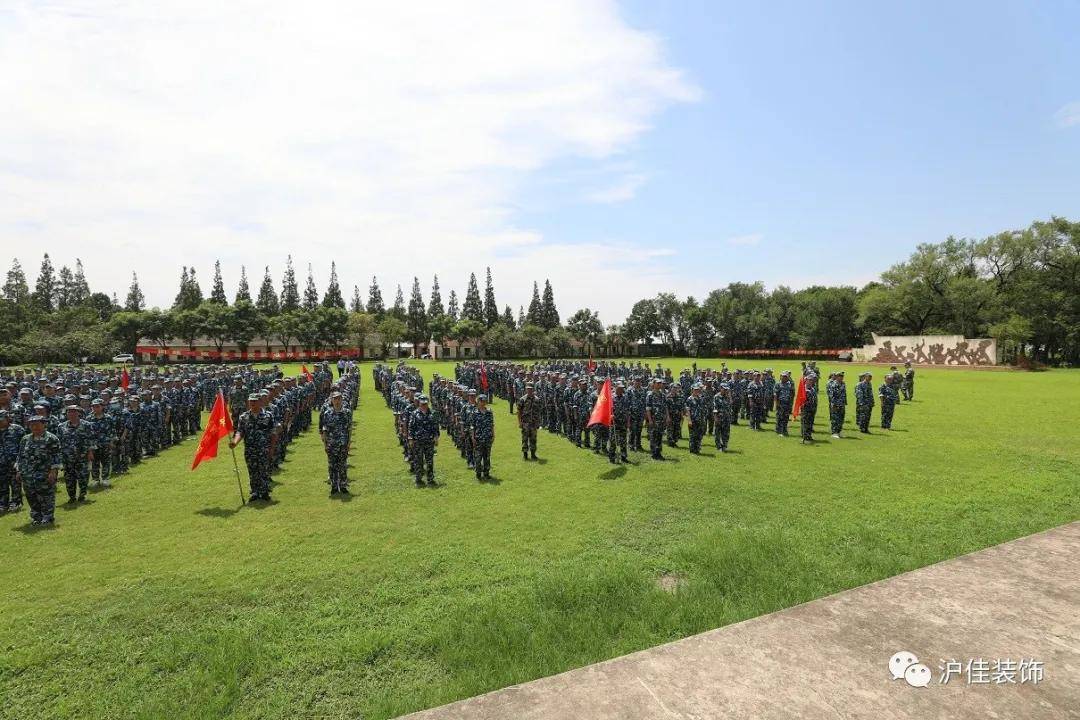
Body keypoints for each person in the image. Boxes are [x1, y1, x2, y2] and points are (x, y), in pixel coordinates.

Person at [16, 415, 62, 526]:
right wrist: (18, 470)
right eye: (32, 425)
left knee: (47, 496)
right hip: (28, 474)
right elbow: (20, 456)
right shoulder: (25, 439)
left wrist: (53, 471)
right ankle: (36, 517)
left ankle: (48, 517)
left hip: (44, 474)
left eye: (37, 424)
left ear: (44, 424)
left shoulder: (51, 438)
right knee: (31, 496)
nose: (34, 427)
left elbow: (56, 456)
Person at [230, 394, 274, 501]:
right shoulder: (243, 417)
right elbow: (240, 432)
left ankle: (264, 492)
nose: (252, 403)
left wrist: (272, 448)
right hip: (250, 449)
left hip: (263, 448)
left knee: (263, 470)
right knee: (252, 470)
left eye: (255, 401)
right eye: (251, 401)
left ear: (260, 402)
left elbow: (273, 433)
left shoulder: (268, 416)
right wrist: (235, 442)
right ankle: (255, 492)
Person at [58, 404, 96, 504]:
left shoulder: (87, 425)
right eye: (69, 412)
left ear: (79, 413)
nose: (71, 414)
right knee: (69, 478)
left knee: (83, 476)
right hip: (67, 457)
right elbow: (59, 442)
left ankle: (82, 495)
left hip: (82, 456)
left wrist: (90, 452)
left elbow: (91, 439)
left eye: (74, 411)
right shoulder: (61, 427)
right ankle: (72, 496)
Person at [319, 391, 351, 495]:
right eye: (335, 399)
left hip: (343, 444)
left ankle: (343, 485)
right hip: (331, 444)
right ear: (331, 400)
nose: (337, 401)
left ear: (342, 400)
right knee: (332, 466)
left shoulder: (346, 413)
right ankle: (334, 486)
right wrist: (325, 444)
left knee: (342, 465)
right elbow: (324, 430)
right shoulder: (327, 413)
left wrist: (348, 443)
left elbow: (349, 429)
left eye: (339, 399)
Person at [409, 394, 439, 486]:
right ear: (419, 403)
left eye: (425, 403)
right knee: (419, 461)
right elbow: (411, 427)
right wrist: (410, 439)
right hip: (418, 441)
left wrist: (436, 437)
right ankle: (418, 479)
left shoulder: (433, 413)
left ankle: (430, 479)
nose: (424, 405)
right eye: (422, 404)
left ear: (428, 403)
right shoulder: (414, 414)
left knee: (430, 461)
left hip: (429, 441)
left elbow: (436, 427)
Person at [0, 411, 26, 511]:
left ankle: (16, 502)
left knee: (15, 483)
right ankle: (3, 503)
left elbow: (23, 445)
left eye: (2, 419)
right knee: (2, 484)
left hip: (14, 462)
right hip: (1, 463)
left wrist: (21, 460)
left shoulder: (17, 429)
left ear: (7, 418)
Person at [470, 394, 495, 480]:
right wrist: (473, 437)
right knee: (478, 457)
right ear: (478, 401)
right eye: (481, 401)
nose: (483, 403)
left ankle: (486, 473)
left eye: (484, 401)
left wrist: (493, 435)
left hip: (488, 437)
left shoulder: (489, 412)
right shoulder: (474, 413)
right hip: (478, 438)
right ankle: (478, 474)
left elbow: (492, 425)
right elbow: (472, 426)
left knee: (487, 457)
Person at [516, 382, 541, 461]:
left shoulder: (537, 399)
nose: (529, 390)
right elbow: (519, 411)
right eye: (528, 389)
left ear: (533, 389)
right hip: (525, 423)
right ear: (526, 389)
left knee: (533, 439)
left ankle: (533, 454)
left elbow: (538, 412)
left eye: (531, 389)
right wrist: (520, 422)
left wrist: (538, 422)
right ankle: (525, 455)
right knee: (525, 439)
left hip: (533, 423)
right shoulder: (522, 399)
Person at [644, 378, 667, 460]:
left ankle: (659, 452)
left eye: (660, 383)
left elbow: (665, 407)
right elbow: (648, 409)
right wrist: (649, 420)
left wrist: (666, 417)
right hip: (653, 420)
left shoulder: (663, 395)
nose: (659, 384)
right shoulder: (650, 395)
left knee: (660, 436)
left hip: (661, 419)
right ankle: (654, 453)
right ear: (653, 384)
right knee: (653, 436)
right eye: (657, 383)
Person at [609, 382, 630, 463]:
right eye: (620, 388)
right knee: (613, 441)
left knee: (623, 441)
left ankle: (624, 457)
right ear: (616, 387)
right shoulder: (611, 397)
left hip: (623, 423)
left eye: (622, 388)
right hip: (614, 423)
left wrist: (628, 422)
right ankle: (612, 458)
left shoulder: (625, 398)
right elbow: (607, 410)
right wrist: (610, 415)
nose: (622, 389)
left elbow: (628, 411)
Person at [712, 384, 732, 452]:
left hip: (727, 418)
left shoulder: (728, 397)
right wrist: (715, 417)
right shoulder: (716, 397)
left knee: (726, 433)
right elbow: (715, 408)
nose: (725, 390)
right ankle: (719, 446)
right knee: (717, 433)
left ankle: (725, 445)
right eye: (724, 389)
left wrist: (729, 396)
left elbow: (730, 406)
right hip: (719, 418)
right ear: (720, 388)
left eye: (726, 389)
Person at [774, 371, 795, 436]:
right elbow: (775, 395)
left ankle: (784, 430)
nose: (784, 378)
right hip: (780, 403)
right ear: (781, 377)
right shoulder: (778, 384)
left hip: (787, 403)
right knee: (779, 417)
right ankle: (779, 430)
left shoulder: (790, 384)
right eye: (783, 376)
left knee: (786, 417)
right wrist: (776, 403)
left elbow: (792, 394)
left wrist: (791, 403)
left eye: (786, 377)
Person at [827, 371, 847, 438]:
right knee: (835, 418)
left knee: (841, 418)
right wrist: (833, 404)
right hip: (835, 404)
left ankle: (839, 431)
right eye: (840, 376)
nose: (841, 378)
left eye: (842, 376)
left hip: (842, 404)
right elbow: (832, 395)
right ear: (837, 377)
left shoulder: (843, 384)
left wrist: (844, 403)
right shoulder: (833, 385)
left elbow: (844, 394)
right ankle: (834, 432)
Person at [800, 374, 818, 444]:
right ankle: (804, 437)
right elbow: (801, 400)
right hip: (806, 410)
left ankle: (809, 435)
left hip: (812, 409)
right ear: (806, 380)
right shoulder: (804, 389)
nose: (810, 381)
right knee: (805, 423)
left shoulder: (813, 389)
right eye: (809, 380)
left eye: (811, 380)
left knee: (810, 423)